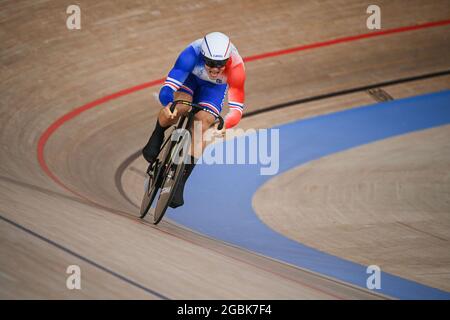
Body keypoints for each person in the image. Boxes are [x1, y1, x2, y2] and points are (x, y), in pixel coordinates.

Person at [142, 32, 246, 208]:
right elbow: (168, 88)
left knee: (203, 125)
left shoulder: (236, 67)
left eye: (220, 65)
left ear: (227, 60)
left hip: (214, 89)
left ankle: (180, 182)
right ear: (202, 56)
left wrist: (225, 125)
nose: (214, 69)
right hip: (190, 80)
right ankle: (157, 135)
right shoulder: (190, 54)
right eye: (210, 63)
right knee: (179, 108)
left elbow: (236, 109)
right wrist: (168, 105)